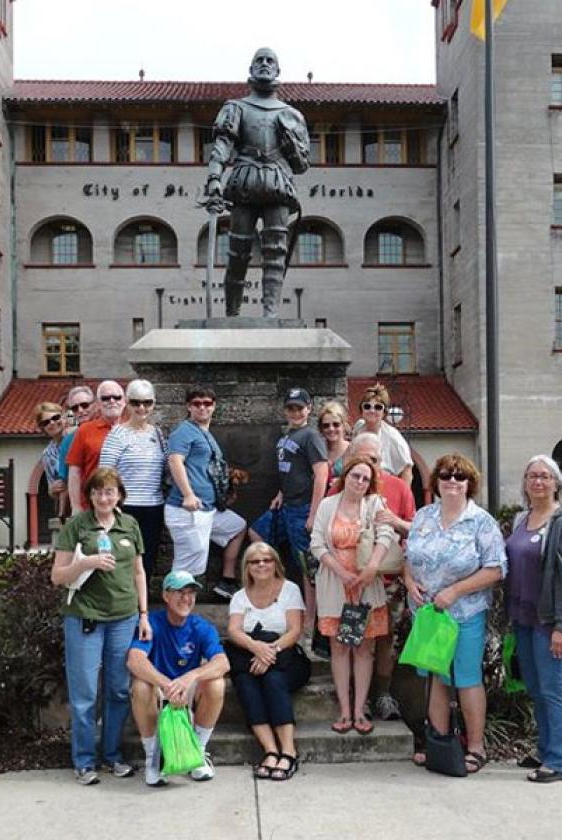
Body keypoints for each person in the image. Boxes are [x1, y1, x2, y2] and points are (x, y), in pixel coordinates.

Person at [404, 453, 506, 775]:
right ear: (435, 481)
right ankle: (440, 742)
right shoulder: (423, 517)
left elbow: (496, 569)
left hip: (464, 614)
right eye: (446, 475)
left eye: (459, 476)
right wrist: (408, 581)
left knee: (466, 678)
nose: (452, 481)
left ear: (469, 483)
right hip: (428, 615)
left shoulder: (481, 522)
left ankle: (476, 747)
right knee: (436, 678)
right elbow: (409, 557)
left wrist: (455, 591)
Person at [51, 468, 149, 786]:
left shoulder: (130, 525)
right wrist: (85, 563)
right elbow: (57, 576)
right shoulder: (77, 526)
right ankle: (84, 760)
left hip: (124, 618)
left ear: (119, 495)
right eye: (98, 492)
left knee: (119, 690)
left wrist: (144, 614)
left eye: (110, 492)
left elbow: (138, 573)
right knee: (85, 695)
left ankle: (112, 755)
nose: (104, 497)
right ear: (90, 495)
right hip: (85, 618)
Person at [203, 47, 309, 318]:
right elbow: (222, 147)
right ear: (251, 70)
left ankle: (270, 315)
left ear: (278, 70)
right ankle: (232, 313)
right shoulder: (235, 108)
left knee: (275, 252)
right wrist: (214, 177)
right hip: (245, 182)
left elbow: (301, 164)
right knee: (238, 253)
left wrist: (291, 146)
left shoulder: (292, 115)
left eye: (269, 60)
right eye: (259, 61)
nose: (264, 64)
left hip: (277, 184)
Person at [505, 454, 562, 783]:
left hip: (552, 621)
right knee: (537, 689)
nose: (538, 481)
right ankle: (545, 750)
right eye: (532, 476)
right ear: (525, 483)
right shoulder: (520, 519)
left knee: (555, 690)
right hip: (523, 618)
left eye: (545, 476)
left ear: (556, 483)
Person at [310, 455, 395, 735]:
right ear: (345, 476)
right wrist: (341, 572)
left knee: (363, 648)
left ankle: (360, 710)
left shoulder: (374, 504)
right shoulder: (327, 505)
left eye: (365, 478)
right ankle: (344, 710)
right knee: (339, 647)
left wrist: (371, 568)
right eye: (355, 476)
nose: (359, 482)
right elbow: (317, 544)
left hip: (366, 586)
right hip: (335, 585)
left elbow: (385, 535)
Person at [128, 570, 230, 787]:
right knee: (140, 686)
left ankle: (197, 753)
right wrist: (167, 684)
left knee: (216, 683)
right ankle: (153, 759)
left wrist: (191, 676)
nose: (186, 598)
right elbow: (134, 660)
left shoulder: (201, 627)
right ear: (166, 596)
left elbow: (223, 663)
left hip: (187, 689)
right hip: (159, 686)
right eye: (179, 592)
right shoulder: (152, 623)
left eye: (191, 593)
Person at [343, 432, 418, 723]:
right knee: (352, 637)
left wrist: (395, 522)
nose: (370, 467)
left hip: (388, 581)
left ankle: (383, 694)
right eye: (364, 459)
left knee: (386, 638)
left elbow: (415, 529)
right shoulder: (339, 490)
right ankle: (353, 700)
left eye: (375, 460)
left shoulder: (398, 488)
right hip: (351, 581)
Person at [226, 541, 310, 781]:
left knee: (273, 680)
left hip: (286, 658)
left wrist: (269, 652)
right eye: (255, 561)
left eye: (266, 560)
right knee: (245, 682)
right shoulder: (240, 597)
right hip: (251, 658)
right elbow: (234, 630)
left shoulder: (290, 589)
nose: (261, 565)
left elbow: (294, 631)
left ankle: (289, 751)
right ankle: (270, 751)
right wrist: (256, 647)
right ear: (247, 567)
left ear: (275, 563)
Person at [237, 387, 327, 606]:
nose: (295, 413)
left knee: (307, 565)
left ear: (309, 409)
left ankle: (309, 619)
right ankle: (280, 587)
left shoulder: (311, 436)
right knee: (257, 531)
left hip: (302, 508)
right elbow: (292, 470)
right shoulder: (288, 435)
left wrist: (314, 514)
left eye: (300, 408)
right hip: (285, 504)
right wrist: (280, 494)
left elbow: (321, 474)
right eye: (290, 408)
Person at [163, 385, 247, 585]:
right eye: (196, 404)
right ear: (188, 407)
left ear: (214, 406)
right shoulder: (183, 432)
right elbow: (175, 461)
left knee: (237, 527)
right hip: (189, 510)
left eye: (207, 403)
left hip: (209, 510)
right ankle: (174, 614)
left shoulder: (204, 433)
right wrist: (188, 494)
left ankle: (226, 580)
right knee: (186, 570)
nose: (202, 407)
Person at [99, 379, 166, 580]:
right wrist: (111, 507)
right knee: (123, 561)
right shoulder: (117, 435)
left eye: (147, 402)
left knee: (147, 561)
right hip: (125, 508)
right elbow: (104, 475)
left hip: (153, 507)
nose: (142, 408)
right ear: (127, 403)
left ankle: (142, 608)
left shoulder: (157, 434)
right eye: (136, 402)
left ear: (154, 403)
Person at [67, 380, 126, 511]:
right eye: (105, 398)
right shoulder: (85, 431)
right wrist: (76, 507)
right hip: (94, 505)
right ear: (98, 404)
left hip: (129, 505)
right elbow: (74, 472)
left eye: (117, 397)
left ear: (124, 401)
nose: (112, 401)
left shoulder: (131, 429)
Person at [350, 383, 414, 485]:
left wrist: (402, 496)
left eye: (378, 407)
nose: (372, 410)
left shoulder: (393, 436)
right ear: (361, 410)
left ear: (384, 412)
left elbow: (407, 469)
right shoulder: (358, 428)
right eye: (367, 406)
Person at [55, 385, 98, 518]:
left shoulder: (111, 430)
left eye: (85, 405)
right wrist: (62, 514)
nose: (80, 410)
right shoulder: (68, 441)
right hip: (85, 510)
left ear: (95, 405)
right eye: (75, 408)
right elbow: (65, 481)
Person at [36, 401, 68, 523]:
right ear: (42, 428)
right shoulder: (48, 454)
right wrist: (53, 489)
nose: (52, 423)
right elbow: (51, 489)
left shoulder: (77, 436)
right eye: (46, 422)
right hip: (67, 504)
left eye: (55, 418)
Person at [317, 400, 351, 492]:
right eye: (326, 425)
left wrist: (343, 482)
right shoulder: (317, 451)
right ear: (321, 428)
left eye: (336, 424)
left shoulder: (353, 451)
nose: (331, 429)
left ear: (344, 425)